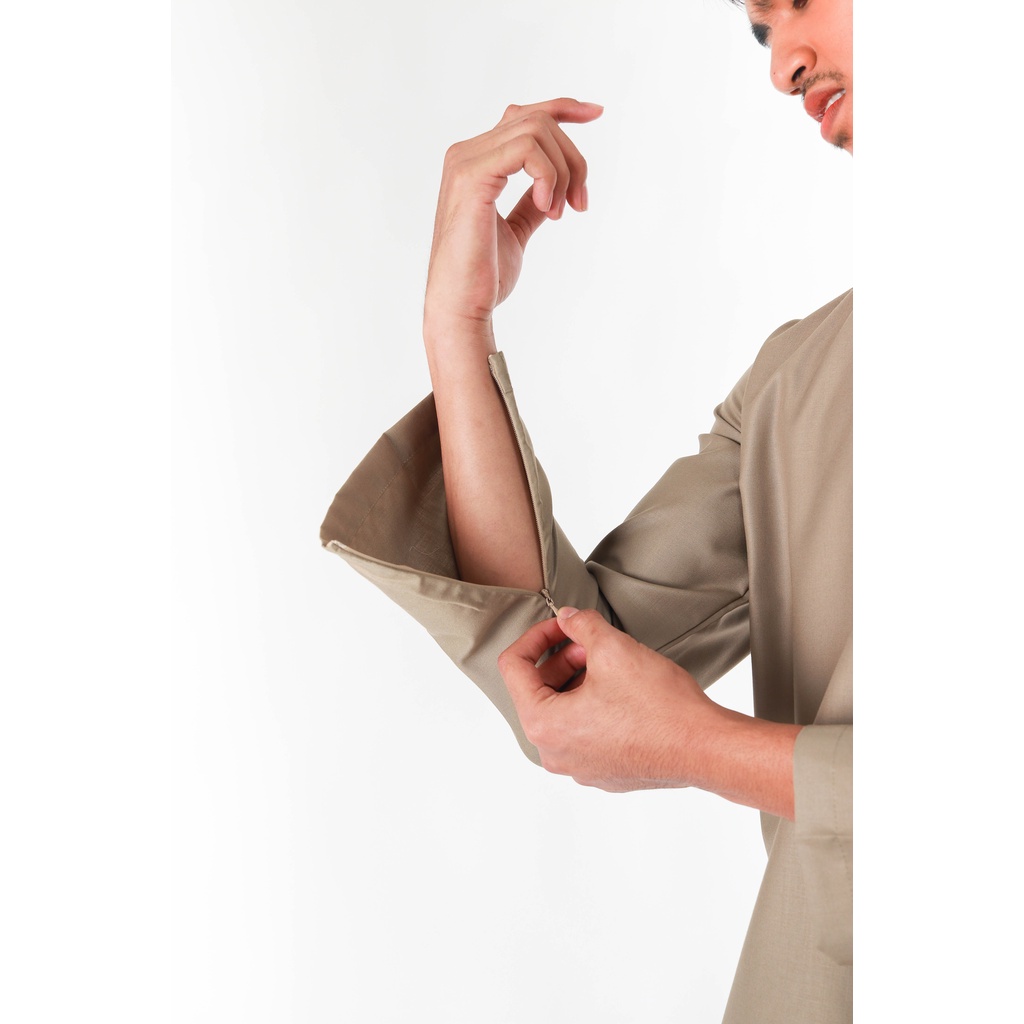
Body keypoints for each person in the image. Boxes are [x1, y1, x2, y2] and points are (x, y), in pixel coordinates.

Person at [320, 0, 852, 1020]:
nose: (783, 64)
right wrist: (458, 325)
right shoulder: (800, 382)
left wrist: (703, 746)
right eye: (758, 33)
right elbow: (566, 670)